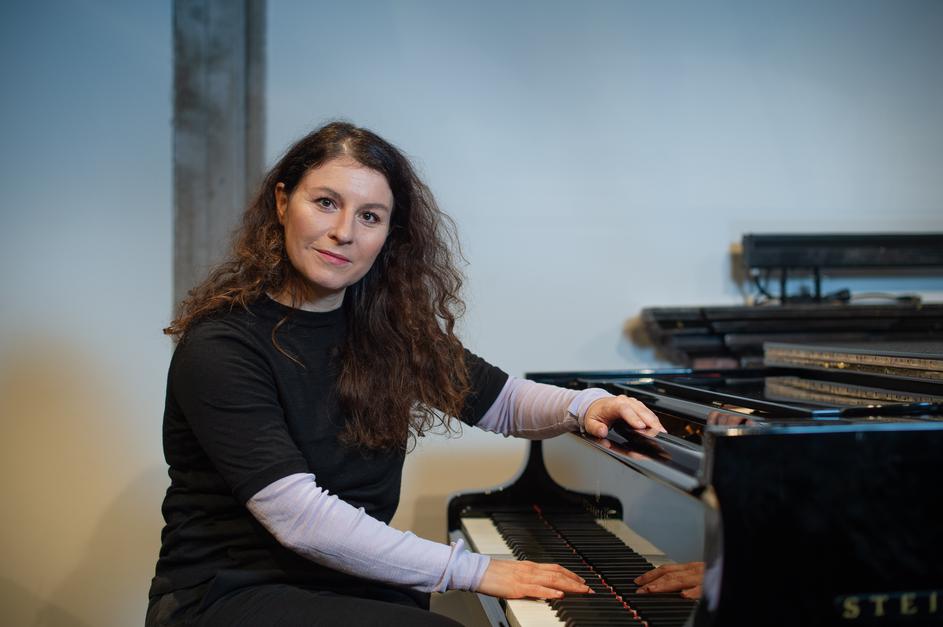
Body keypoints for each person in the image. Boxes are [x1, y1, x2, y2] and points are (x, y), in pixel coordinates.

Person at [146, 121, 692, 627]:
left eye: (370, 216)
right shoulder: (222, 346)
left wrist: (586, 405)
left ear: (389, 233)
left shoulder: (386, 330)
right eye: (326, 203)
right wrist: (472, 569)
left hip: (345, 584)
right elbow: (298, 518)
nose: (343, 232)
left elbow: (503, 403)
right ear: (283, 202)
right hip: (230, 593)